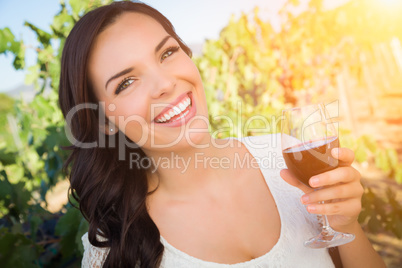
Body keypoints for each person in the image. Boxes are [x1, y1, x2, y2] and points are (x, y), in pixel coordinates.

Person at [58, 1, 386, 267]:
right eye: (126, 83)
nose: (166, 84)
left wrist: (346, 226)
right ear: (104, 121)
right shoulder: (114, 250)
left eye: (167, 53)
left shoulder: (284, 158)